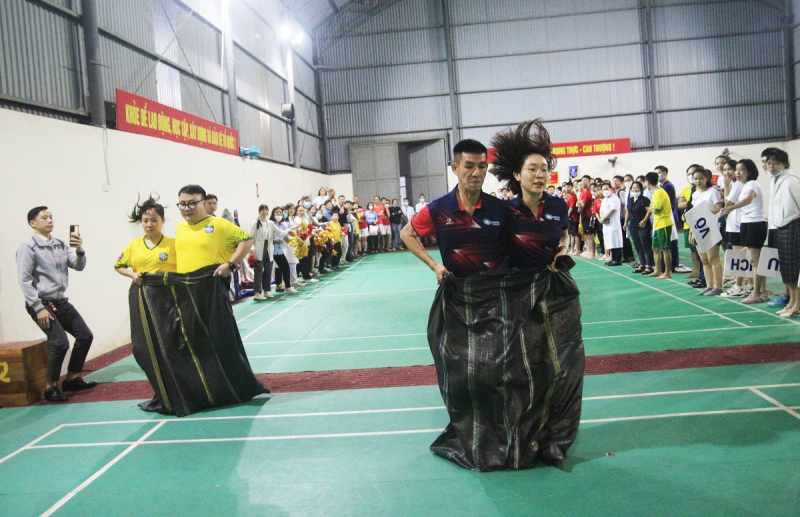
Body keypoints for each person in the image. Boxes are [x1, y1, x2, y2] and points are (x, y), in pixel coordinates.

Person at [490, 119, 584, 467]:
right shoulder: (505, 212)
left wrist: (563, 251)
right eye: (532, 168)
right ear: (517, 174)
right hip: (516, 297)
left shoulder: (558, 206)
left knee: (564, 368)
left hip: (555, 293)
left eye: (544, 168)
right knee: (522, 370)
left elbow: (563, 236)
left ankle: (557, 440)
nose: (540, 174)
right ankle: (523, 437)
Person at [130, 184, 265, 416]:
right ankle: (199, 391)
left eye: (192, 203)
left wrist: (231, 265)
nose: (187, 208)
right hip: (185, 295)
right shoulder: (180, 228)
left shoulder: (219, 224)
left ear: (203, 203)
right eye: (182, 204)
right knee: (190, 345)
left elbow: (247, 240)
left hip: (211, 292)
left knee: (219, 340)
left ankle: (230, 388)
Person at [17, 206, 96, 402]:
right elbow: (24, 280)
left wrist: (79, 249)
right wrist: (38, 307)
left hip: (60, 301)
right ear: (32, 223)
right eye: (44, 218)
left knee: (85, 336)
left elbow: (78, 266)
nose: (50, 220)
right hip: (41, 303)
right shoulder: (28, 247)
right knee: (60, 343)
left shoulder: (60, 244)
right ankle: (50, 387)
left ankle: (71, 379)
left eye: (51, 217)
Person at [115, 195, 177, 412]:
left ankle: (174, 391)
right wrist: (133, 275)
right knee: (142, 348)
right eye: (145, 221)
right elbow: (119, 266)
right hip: (141, 297)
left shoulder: (173, 245)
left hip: (167, 300)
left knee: (168, 344)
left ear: (163, 221)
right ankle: (159, 390)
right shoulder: (134, 245)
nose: (149, 224)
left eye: (154, 220)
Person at [720, 159, 768, 303]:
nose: (738, 172)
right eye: (737, 170)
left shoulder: (752, 184)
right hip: (746, 223)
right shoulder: (744, 185)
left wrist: (731, 208)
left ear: (749, 171)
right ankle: (762, 292)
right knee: (754, 260)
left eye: (742, 170)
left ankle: (757, 292)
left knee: (755, 260)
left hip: (755, 224)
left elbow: (748, 199)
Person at [763, 149, 800, 317]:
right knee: (786, 267)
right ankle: (791, 301)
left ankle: (797, 304)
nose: (771, 166)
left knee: (794, 267)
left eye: (775, 163)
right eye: (768, 163)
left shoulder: (791, 181)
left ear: (784, 164)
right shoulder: (775, 180)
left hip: (793, 225)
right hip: (780, 226)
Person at [688, 168, 723, 296]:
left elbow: (719, 209)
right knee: (704, 260)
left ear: (706, 178)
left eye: (701, 178)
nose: (698, 181)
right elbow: (693, 214)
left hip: (711, 227)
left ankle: (718, 287)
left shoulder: (713, 192)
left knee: (713, 259)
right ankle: (709, 286)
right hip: (698, 229)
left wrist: (705, 212)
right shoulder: (695, 194)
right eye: (695, 179)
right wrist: (692, 231)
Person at [249, 204, 290, 300]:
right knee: (258, 272)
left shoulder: (270, 223)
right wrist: (251, 247)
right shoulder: (255, 223)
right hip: (259, 249)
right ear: (259, 212)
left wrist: (290, 231)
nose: (265, 212)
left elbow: (280, 232)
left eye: (266, 210)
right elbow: (250, 237)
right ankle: (257, 293)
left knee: (268, 271)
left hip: (269, 249)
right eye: (262, 210)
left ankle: (266, 291)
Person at [643, 171, 673, 279]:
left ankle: (668, 272)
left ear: (647, 182)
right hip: (657, 224)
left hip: (663, 223)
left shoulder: (660, 192)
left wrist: (648, 208)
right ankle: (658, 270)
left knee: (665, 248)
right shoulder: (655, 193)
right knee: (655, 248)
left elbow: (655, 210)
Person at [625, 181, 654, 274]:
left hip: (643, 225)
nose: (635, 189)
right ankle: (642, 264)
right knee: (638, 246)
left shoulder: (645, 200)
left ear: (641, 189)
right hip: (633, 225)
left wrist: (645, 220)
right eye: (633, 188)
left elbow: (649, 211)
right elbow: (628, 211)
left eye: (637, 188)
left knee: (645, 245)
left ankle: (649, 265)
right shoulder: (630, 200)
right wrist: (625, 222)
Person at [598, 183, 623, 265]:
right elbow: (601, 211)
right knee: (609, 241)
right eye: (603, 189)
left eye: (606, 189)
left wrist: (605, 218)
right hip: (606, 224)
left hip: (613, 223)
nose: (605, 191)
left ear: (610, 189)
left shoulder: (615, 198)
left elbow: (613, 210)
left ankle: (617, 259)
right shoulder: (604, 200)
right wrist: (602, 219)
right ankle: (612, 258)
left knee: (615, 241)